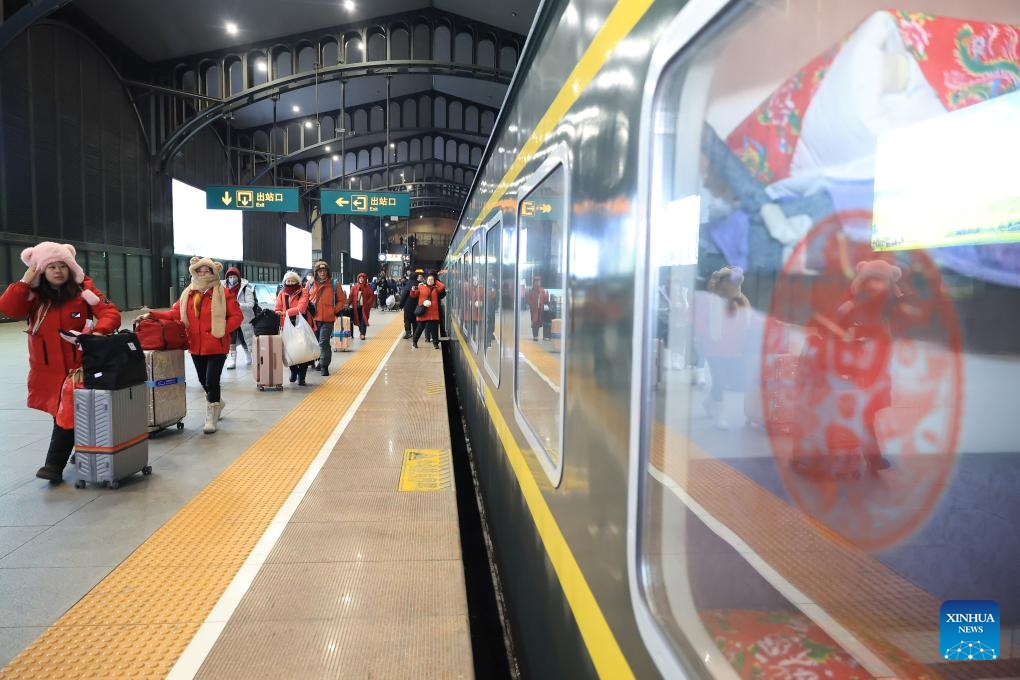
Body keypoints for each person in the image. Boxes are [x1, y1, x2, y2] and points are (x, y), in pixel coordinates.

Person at [0, 242, 121, 482]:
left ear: (71, 267)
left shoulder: (84, 292)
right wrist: (25, 281)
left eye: (62, 266)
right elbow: (9, 309)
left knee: (66, 413)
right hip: (45, 369)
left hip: (78, 369)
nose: (58, 271)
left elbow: (110, 313)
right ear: (41, 270)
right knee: (62, 413)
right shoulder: (33, 296)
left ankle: (53, 465)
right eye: (51, 266)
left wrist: (98, 333)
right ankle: (82, 446)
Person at [140, 256, 242, 434]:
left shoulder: (223, 293)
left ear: (214, 272)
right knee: (203, 380)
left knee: (211, 380)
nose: (203, 274)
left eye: (207, 271)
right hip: (196, 345)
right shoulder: (188, 294)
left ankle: (211, 416)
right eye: (199, 271)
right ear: (194, 272)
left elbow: (237, 316)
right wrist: (152, 314)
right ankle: (217, 402)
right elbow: (175, 313)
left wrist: (221, 329)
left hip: (217, 344)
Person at [693, 266, 750, 429]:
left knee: (724, 379)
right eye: (728, 281)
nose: (732, 284)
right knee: (719, 378)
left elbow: (746, 324)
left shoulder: (742, 300)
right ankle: (720, 416)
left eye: (735, 281)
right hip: (712, 346)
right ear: (721, 283)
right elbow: (699, 322)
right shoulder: (710, 300)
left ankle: (708, 402)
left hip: (732, 347)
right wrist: (700, 338)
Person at [307, 260, 346, 377]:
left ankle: (324, 365)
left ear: (327, 272)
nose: (322, 273)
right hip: (313, 319)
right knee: (315, 342)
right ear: (316, 272)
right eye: (320, 271)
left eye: (324, 271)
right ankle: (319, 361)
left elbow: (342, 300)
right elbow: (305, 299)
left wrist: (333, 311)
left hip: (327, 320)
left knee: (323, 342)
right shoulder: (310, 284)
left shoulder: (334, 284)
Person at [277, 271, 314, 385]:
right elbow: (277, 308)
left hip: (302, 324)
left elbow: (301, 308)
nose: (290, 282)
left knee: (303, 351)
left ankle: (302, 377)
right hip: (286, 325)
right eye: (288, 281)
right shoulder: (282, 293)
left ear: (297, 281)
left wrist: (285, 313)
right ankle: (294, 371)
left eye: (292, 280)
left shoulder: (303, 291)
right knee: (290, 350)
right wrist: (281, 314)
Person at [223, 266, 255, 370]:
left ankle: (248, 354)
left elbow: (251, 304)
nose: (232, 279)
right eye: (230, 277)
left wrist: (237, 305)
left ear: (238, 277)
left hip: (244, 318)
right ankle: (232, 359)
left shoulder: (246, 289)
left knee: (243, 337)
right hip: (229, 318)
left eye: (234, 277)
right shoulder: (222, 289)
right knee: (231, 339)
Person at [410, 273, 446, 349]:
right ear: (426, 280)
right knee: (419, 329)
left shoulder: (436, 288)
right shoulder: (421, 287)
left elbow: (442, 286)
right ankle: (414, 342)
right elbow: (413, 295)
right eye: (429, 279)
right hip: (424, 311)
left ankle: (435, 344)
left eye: (432, 280)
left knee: (434, 330)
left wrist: (436, 281)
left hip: (433, 313)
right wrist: (412, 290)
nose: (430, 281)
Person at [348, 272, 376, 340]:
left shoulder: (368, 288)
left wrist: (368, 304)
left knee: (364, 320)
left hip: (364, 308)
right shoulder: (354, 287)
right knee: (358, 320)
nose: (361, 279)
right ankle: (361, 333)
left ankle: (362, 334)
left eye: (362, 278)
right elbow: (351, 297)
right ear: (358, 279)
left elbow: (372, 297)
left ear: (365, 279)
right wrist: (347, 304)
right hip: (356, 307)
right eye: (360, 278)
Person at [399, 271, 423, 339]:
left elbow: (404, 295)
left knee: (407, 319)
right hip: (417, 304)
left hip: (408, 305)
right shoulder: (419, 284)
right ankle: (415, 333)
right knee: (415, 320)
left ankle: (408, 333)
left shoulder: (408, 284)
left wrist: (401, 305)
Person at [525, 275, 550, 341]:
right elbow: (528, 300)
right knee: (534, 322)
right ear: (533, 282)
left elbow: (545, 300)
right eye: (536, 281)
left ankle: (538, 336)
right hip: (534, 310)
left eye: (538, 281)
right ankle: (535, 336)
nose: (537, 283)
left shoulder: (542, 290)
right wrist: (531, 305)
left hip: (540, 309)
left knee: (539, 322)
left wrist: (547, 296)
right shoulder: (531, 291)